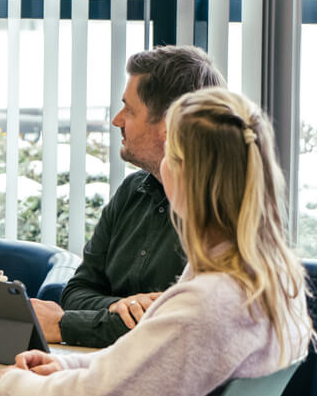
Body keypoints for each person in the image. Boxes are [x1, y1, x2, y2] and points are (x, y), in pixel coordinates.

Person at [0, 87, 316, 396]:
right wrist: (68, 364)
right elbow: (141, 364)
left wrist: (14, 385)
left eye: (171, 155)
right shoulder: (268, 278)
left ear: (186, 176)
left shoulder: (208, 302)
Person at [32, 45, 224, 347]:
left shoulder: (221, 215)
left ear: (169, 124)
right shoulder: (132, 191)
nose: (117, 120)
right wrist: (117, 309)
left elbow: (171, 328)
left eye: (130, 110)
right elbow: (77, 291)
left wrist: (64, 325)